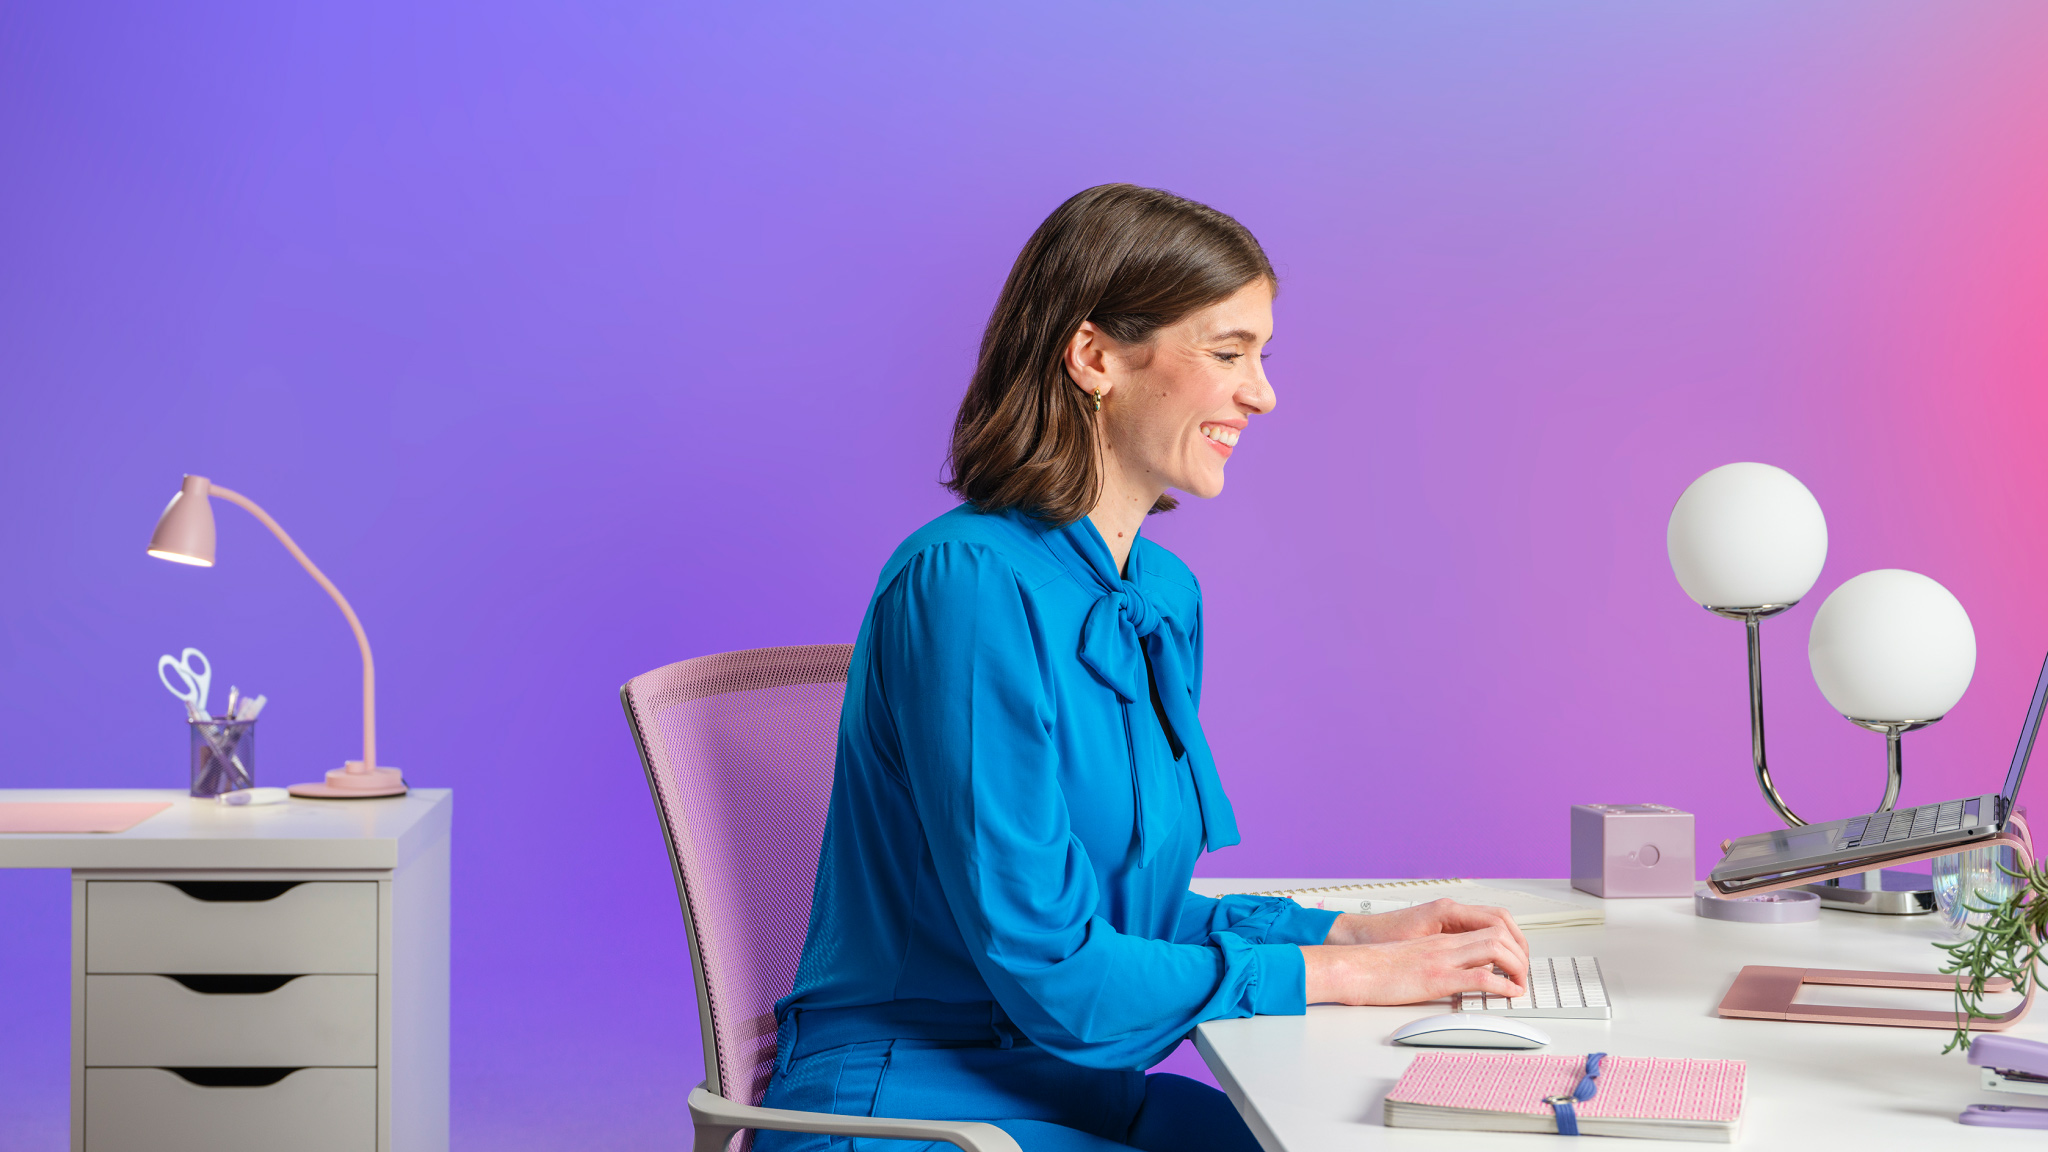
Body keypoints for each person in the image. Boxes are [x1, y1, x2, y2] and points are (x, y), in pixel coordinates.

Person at [755, 184, 1530, 1152]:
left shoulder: (1158, 594)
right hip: (919, 1111)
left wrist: (1354, 936)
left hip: (1077, 1089)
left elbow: (1136, 913)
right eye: (1226, 352)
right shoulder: (965, 583)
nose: (1261, 392)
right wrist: (1344, 979)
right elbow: (1053, 969)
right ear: (1092, 358)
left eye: (1261, 355)